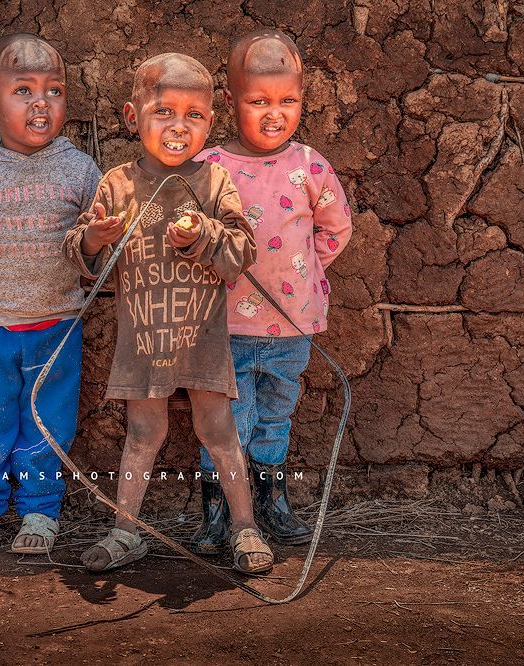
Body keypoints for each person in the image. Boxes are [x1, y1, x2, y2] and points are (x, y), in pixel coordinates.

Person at [63, 53, 273, 574]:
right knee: (142, 433)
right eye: (164, 112)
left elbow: (242, 251)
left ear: (209, 122)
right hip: (144, 339)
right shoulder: (117, 184)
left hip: (201, 334)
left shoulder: (214, 182)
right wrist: (95, 237)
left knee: (219, 428)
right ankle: (125, 530)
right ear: (134, 117)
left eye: (194, 115)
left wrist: (202, 234)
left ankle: (244, 527)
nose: (180, 127)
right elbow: (82, 256)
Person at [0, 34, 101, 561]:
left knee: (49, 423)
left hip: (57, 328)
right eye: (23, 90)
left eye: (54, 91)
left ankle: (39, 509)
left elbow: (98, 245)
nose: (40, 103)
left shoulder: (79, 170)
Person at [190, 29, 352, 553]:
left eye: (288, 101)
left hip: (290, 326)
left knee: (276, 415)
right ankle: (218, 510)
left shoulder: (310, 165)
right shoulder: (211, 167)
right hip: (224, 327)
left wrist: (304, 271)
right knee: (223, 421)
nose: (274, 112)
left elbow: (336, 227)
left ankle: (271, 499)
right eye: (258, 101)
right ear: (232, 101)